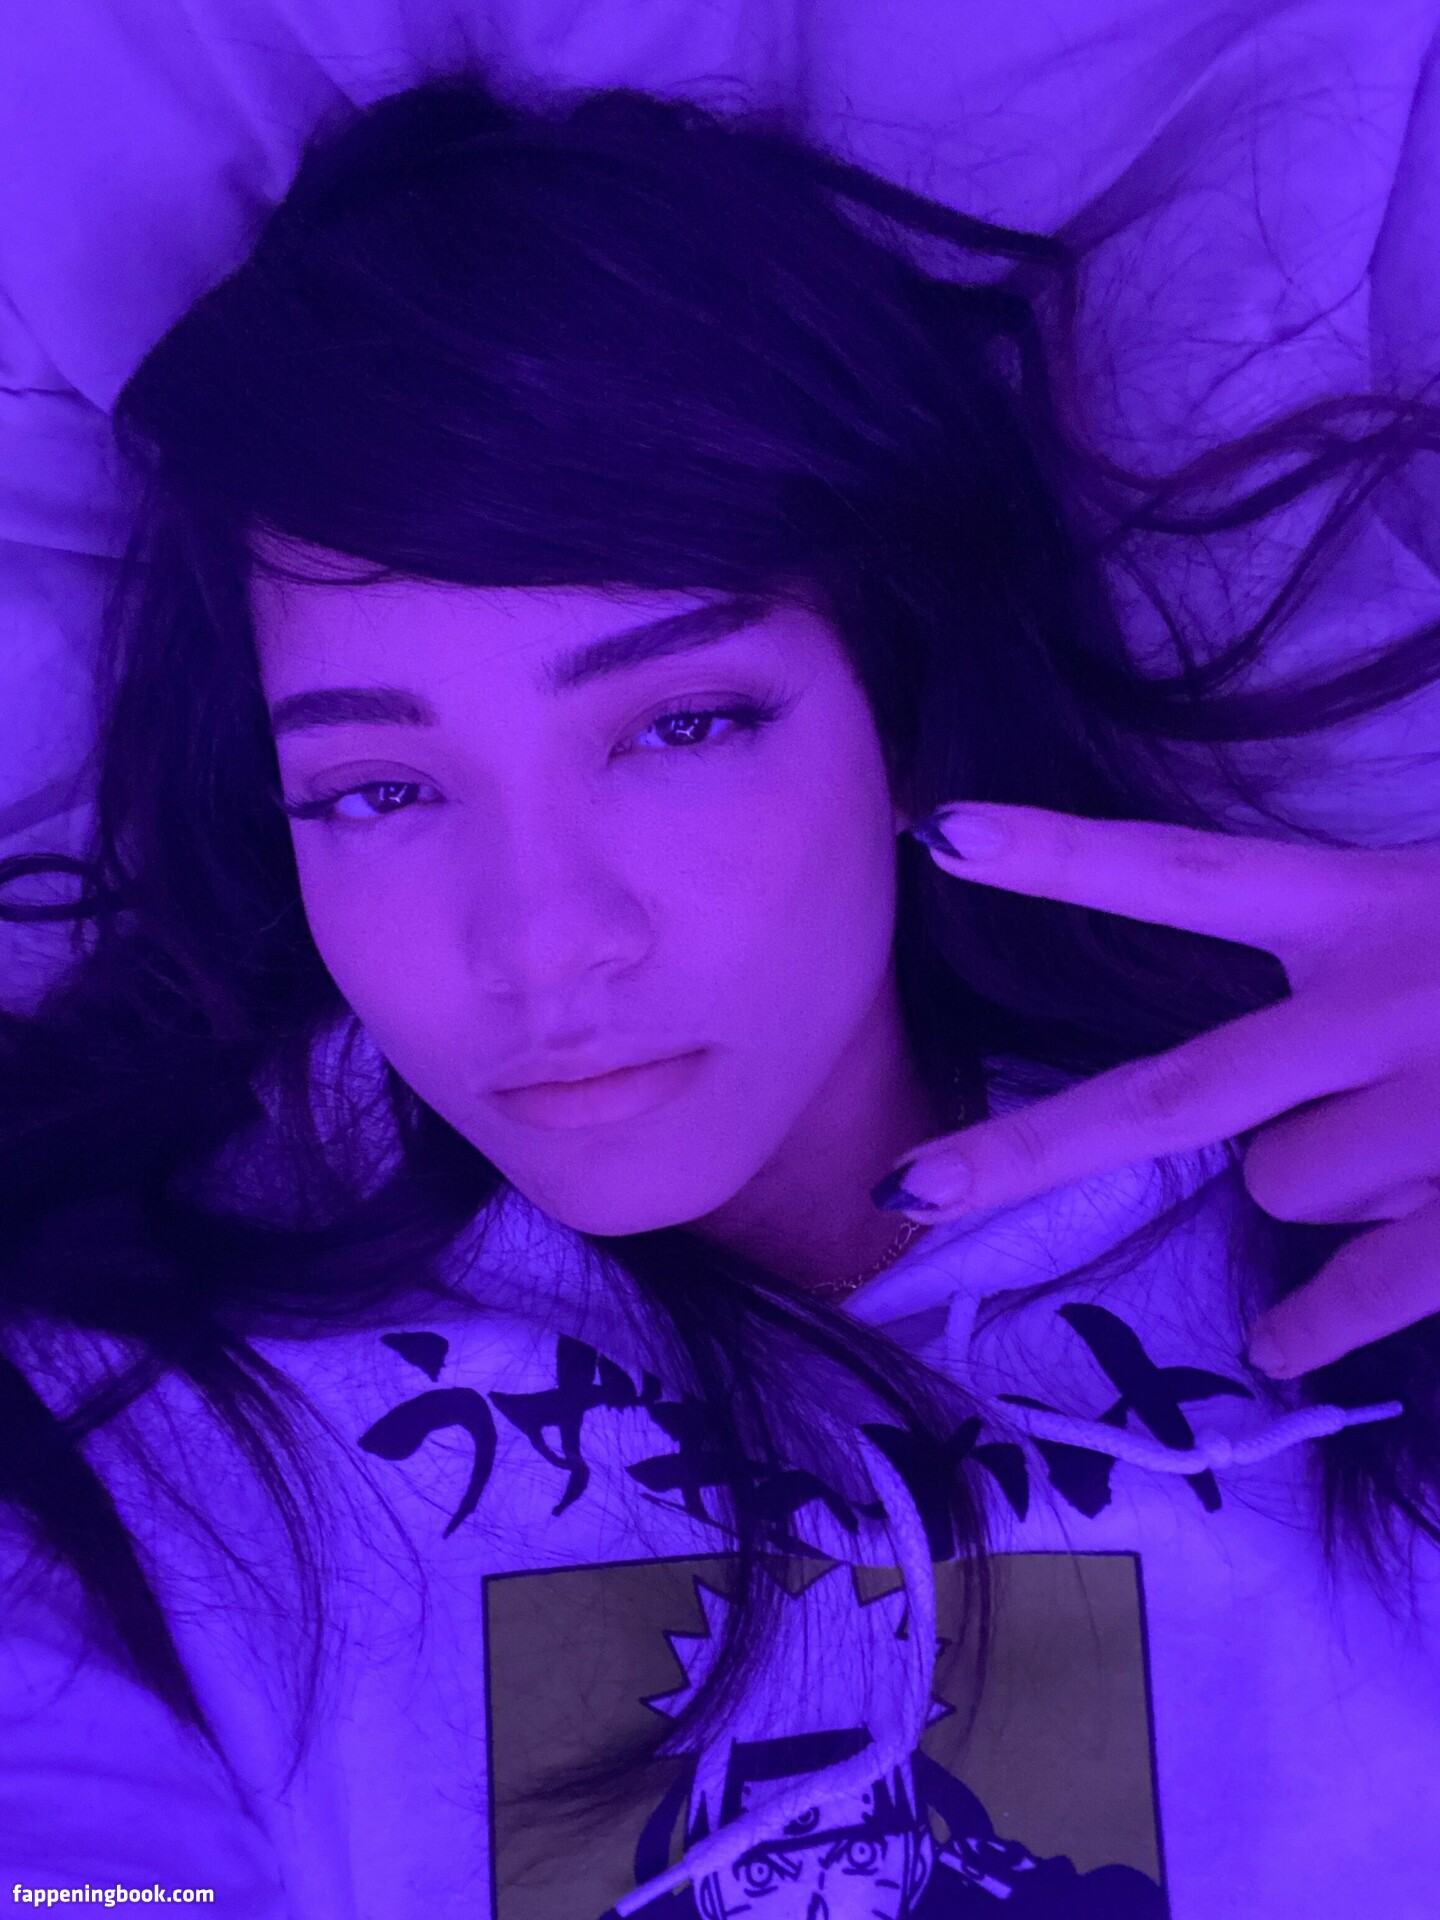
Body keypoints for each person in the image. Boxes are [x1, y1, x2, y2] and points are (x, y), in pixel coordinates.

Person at [0, 68, 1437, 1919]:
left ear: (897, 698)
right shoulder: (123, 1431)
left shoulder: (1362, 1202)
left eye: (682, 725)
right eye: (377, 792)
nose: (544, 940)